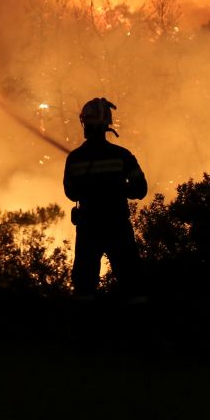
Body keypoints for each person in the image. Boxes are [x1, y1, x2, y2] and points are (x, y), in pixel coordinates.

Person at [63, 97, 148, 301]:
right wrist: (118, 188)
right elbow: (141, 189)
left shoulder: (75, 158)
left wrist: (90, 188)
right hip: (117, 226)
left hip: (89, 228)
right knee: (131, 280)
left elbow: (71, 193)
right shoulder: (122, 156)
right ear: (106, 125)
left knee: (84, 285)